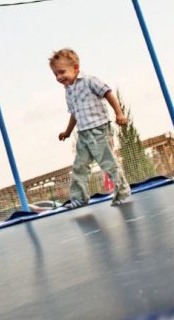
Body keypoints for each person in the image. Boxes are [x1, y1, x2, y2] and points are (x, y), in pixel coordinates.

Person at [49, 48, 133, 208]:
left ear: (75, 68)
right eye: (56, 75)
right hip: (83, 134)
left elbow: (108, 93)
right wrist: (67, 132)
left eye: (61, 72)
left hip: (99, 129)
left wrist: (119, 113)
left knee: (107, 162)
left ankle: (122, 190)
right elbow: (74, 113)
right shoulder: (68, 91)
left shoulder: (89, 80)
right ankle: (79, 198)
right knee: (79, 166)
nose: (59, 77)